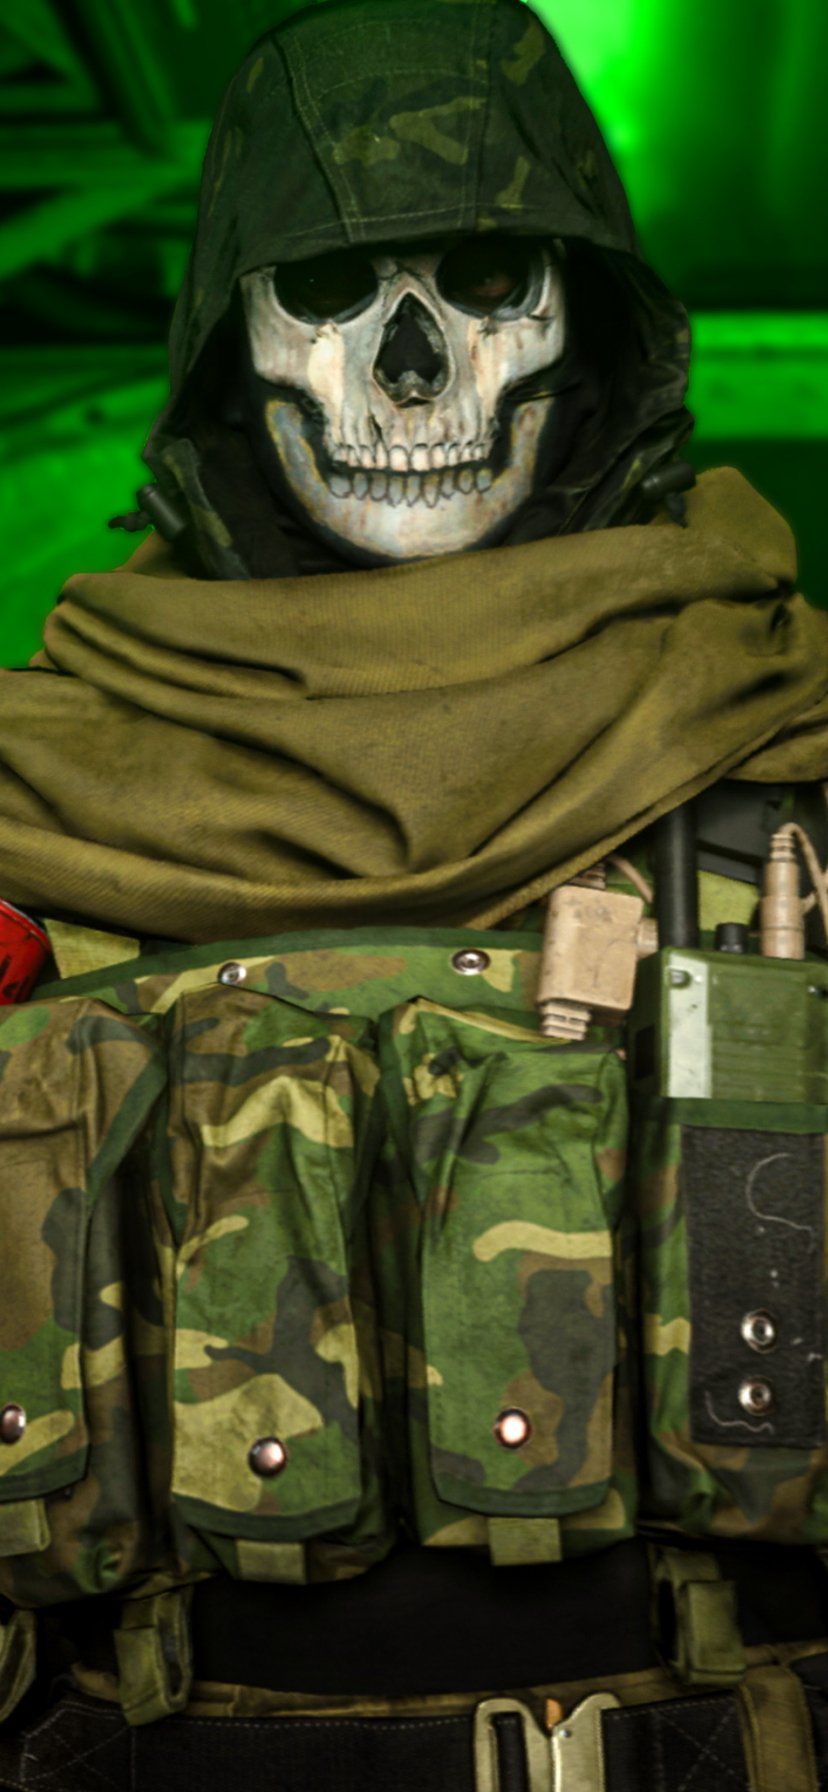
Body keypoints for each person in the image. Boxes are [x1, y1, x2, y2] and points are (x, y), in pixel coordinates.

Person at [2, 0, 828, 1785]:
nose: (406, 372)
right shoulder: (31, 821)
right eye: (328, 294)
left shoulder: (787, 763)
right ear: (227, 350)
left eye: (481, 283)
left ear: (589, 331)